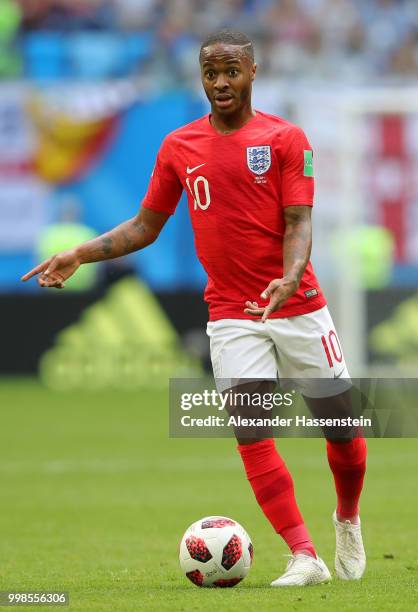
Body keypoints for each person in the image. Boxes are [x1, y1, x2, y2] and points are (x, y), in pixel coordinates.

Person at [22, 29, 366, 587]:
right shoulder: (180, 146)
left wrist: (291, 274)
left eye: (230, 71)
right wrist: (79, 253)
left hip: (297, 305)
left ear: (252, 71)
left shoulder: (285, 138)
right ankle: (305, 555)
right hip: (231, 311)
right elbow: (144, 226)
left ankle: (347, 518)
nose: (220, 82)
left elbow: (300, 221)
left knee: (343, 433)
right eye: (210, 72)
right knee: (252, 432)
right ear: (200, 76)